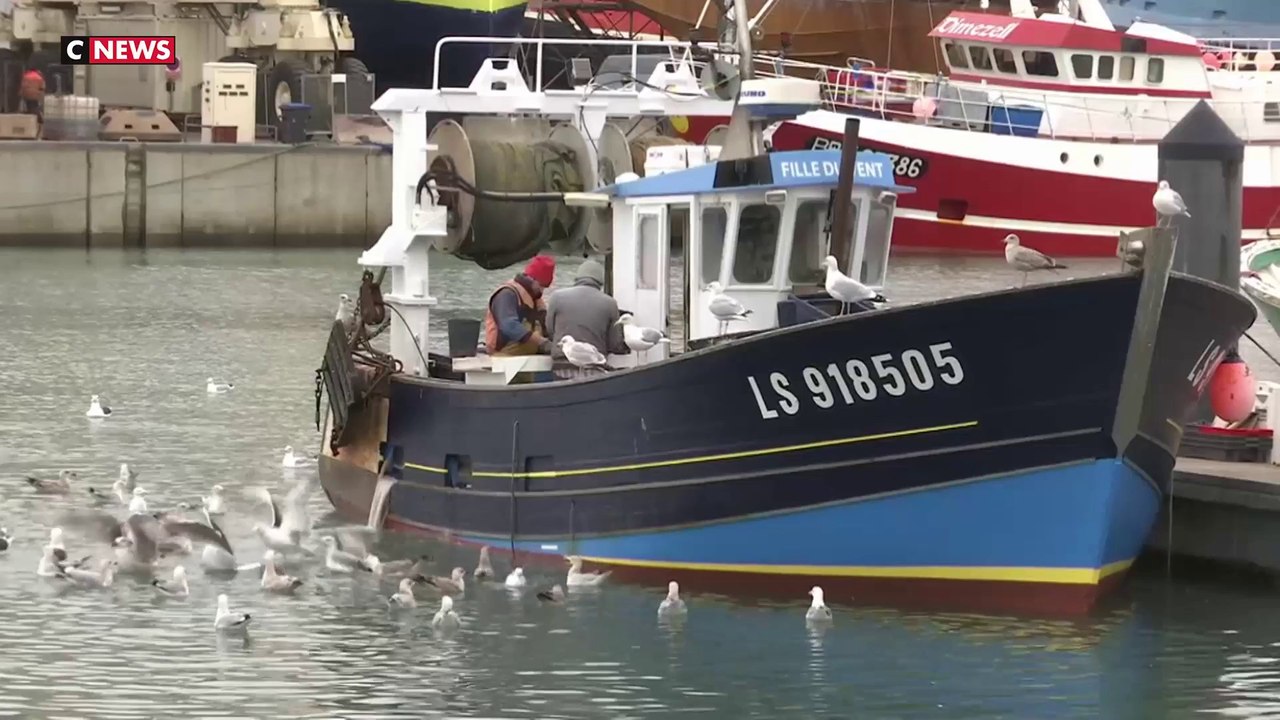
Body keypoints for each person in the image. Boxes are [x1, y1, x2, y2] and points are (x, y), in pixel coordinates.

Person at [546, 258, 626, 356]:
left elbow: (550, 330)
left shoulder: (556, 297)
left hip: (561, 360)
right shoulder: (610, 303)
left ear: (577, 278)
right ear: (600, 282)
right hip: (594, 363)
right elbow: (615, 343)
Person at [483, 255, 556, 357]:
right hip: (502, 356)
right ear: (532, 279)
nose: (542, 290)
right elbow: (509, 325)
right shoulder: (507, 294)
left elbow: (546, 326)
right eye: (541, 285)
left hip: (526, 357)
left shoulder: (535, 298)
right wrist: (541, 342)